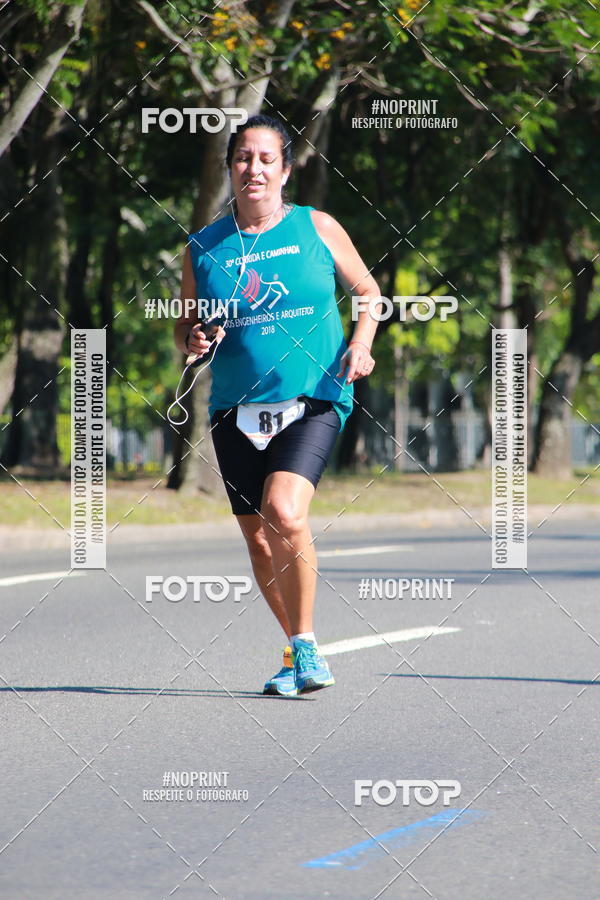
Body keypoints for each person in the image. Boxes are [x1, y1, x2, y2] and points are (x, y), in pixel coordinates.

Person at [174, 114, 380, 697]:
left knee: (284, 512)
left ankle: (308, 645)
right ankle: (296, 650)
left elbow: (368, 291)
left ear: (286, 170)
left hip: (315, 395)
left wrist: (361, 345)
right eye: (243, 158)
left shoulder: (316, 227)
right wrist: (192, 339)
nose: (254, 169)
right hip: (233, 406)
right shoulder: (204, 247)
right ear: (231, 169)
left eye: (267, 159)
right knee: (258, 539)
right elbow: (188, 324)